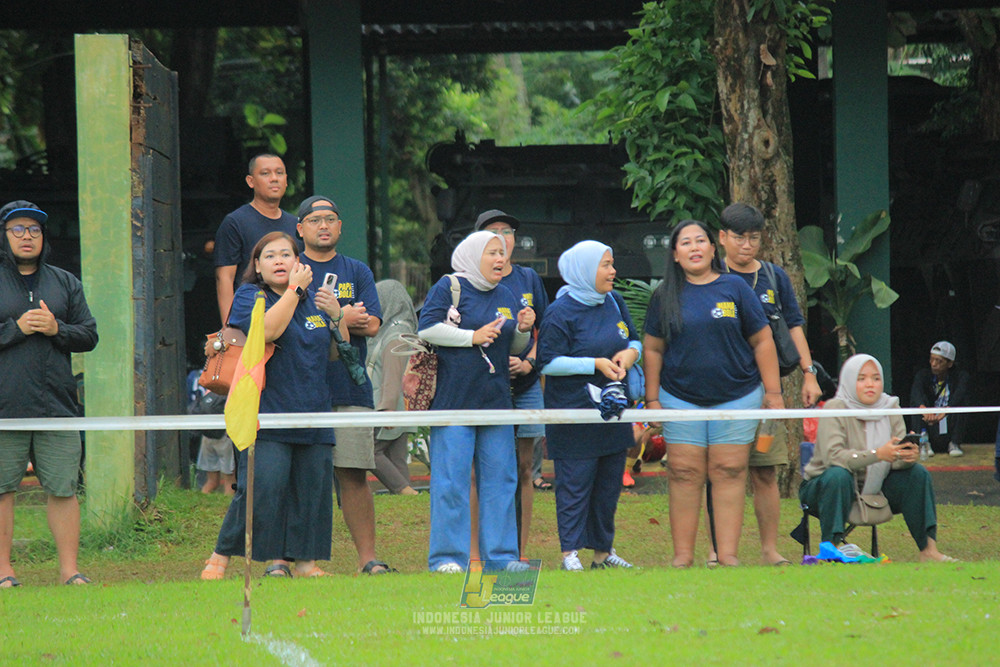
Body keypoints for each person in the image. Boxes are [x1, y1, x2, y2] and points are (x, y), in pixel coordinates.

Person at [201, 231, 347, 580]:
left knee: (312, 489)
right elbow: (266, 331)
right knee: (262, 487)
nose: (279, 260)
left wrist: (337, 317)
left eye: (286, 254)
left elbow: (333, 352)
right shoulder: (250, 295)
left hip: (313, 407)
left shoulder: (316, 300)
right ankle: (220, 555)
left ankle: (306, 562)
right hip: (265, 409)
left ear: (299, 262)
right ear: (257, 266)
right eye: (270, 256)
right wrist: (296, 291)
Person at [642, 220, 783, 568]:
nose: (694, 247)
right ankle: (682, 557)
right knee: (684, 473)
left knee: (729, 470)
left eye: (700, 241)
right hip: (678, 397)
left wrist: (774, 392)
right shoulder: (664, 295)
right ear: (675, 255)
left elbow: (762, 339)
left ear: (712, 248)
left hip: (739, 394)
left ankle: (728, 556)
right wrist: (653, 400)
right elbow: (653, 349)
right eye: (685, 242)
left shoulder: (734, 287)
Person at [711, 202, 822, 566]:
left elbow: (793, 325)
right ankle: (717, 550)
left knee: (765, 470)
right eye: (739, 237)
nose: (747, 245)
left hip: (766, 395)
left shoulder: (774, 277)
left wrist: (809, 373)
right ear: (722, 238)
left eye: (754, 238)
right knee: (721, 471)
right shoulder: (707, 275)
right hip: (719, 392)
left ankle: (769, 549)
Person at [418, 231, 534, 573]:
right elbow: (426, 329)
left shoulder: (508, 293)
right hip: (454, 402)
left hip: (496, 402)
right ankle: (447, 559)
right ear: (472, 256)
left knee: (501, 481)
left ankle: (502, 558)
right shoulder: (450, 286)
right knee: (451, 482)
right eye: (491, 253)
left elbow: (510, 347)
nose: (500, 259)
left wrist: (524, 330)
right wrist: (472, 336)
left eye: (502, 252)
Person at [0, 200, 99, 587]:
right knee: (3, 489)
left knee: (63, 487)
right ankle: (5, 572)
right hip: (4, 407)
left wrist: (58, 328)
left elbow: (89, 334)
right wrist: (16, 329)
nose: (27, 237)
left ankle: (69, 570)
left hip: (57, 405)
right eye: (18, 230)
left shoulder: (64, 282)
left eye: (35, 230)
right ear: (5, 236)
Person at [296, 195, 395, 574]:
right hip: (297, 388)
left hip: (348, 388)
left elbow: (371, 325)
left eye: (331, 219)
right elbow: (284, 320)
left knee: (353, 473)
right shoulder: (290, 266)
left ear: (340, 227)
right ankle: (283, 560)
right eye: (315, 219)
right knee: (299, 476)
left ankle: (368, 559)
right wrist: (341, 317)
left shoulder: (357, 270)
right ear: (300, 227)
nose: (324, 225)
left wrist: (334, 315)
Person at [537, 240, 639, 571]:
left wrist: (629, 355)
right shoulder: (559, 312)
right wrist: (593, 363)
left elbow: (633, 339)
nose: (613, 271)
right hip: (573, 415)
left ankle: (602, 553)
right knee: (575, 487)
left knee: (608, 488)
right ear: (584, 270)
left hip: (613, 413)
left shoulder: (614, 301)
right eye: (605, 265)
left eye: (612, 264)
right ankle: (570, 554)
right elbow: (547, 363)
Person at [800, 354, 957, 562]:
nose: (870, 384)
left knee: (917, 474)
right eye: (862, 378)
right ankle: (831, 552)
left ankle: (928, 550)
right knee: (838, 475)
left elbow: (896, 456)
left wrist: (906, 456)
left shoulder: (890, 406)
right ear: (848, 380)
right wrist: (877, 455)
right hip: (825, 488)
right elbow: (835, 458)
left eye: (875, 378)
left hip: (876, 486)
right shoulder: (834, 408)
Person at [473, 209, 549, 556]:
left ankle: (518, 551)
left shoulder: (528, 278)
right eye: (493, 232)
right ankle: (476, 552)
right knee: (484, 469)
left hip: (526, 384)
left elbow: (547, 329)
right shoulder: (466, 280)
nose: (502, 238)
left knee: (523, 467)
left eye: (508, 231)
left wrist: (530, 359)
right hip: (484, 385)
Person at [213, 154, 300, 325]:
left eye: (279, 173)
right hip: (251, 316)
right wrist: (229, 326)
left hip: (293, 315)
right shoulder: (235, 222)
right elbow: (224, 278)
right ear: (250, 181)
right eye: (266, 173)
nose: (274, 179)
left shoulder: (296, 224)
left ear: (286, 180)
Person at [367, 279, 419, 495]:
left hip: (388, 405)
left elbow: (392, 373)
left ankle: (406, 492)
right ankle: (407, 499)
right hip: (401, 406)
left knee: (369, 451)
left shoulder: (396, 334)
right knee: (396, 458)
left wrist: (386, 411)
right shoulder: (402, 330)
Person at [909, 341, 969, 458]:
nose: (934, 364)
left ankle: (954, 443)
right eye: (932, 359)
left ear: (950, 363)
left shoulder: (960, 376)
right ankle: (924, 442)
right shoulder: (923, 375)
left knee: (962, 403)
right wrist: (924, 410)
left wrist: (945, 411)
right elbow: (916, 392)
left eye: (939, 361)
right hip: (928, 420)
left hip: (947, 420)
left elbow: (960, 394)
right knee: (916, 403)